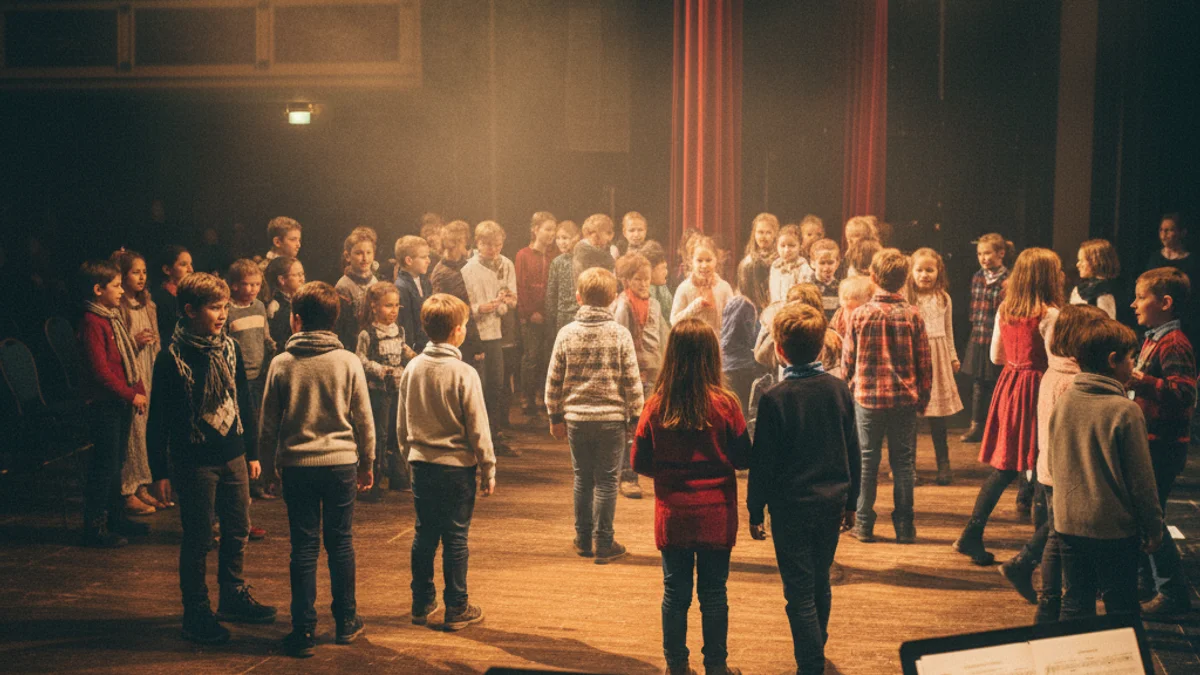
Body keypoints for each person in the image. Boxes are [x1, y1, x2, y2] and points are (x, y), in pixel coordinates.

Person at [146, 272, 277, 644]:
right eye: (214, 307)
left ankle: (232, 595)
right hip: (195, 460)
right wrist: (160, 471)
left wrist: (251, 452)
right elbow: (158, 421)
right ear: (189, 310)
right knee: (200, 536)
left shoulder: (229, 348)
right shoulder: (171, 359)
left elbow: (243, 404)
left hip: (232, 453)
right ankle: (196, 609)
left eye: (224, 307)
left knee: (237, 529)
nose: (222, 314)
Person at [259, 281, 375, 658]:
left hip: (296, 466)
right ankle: (345, 621)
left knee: (303, 547)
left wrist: (268, 469)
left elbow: (267, 423)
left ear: (295, 320)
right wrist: (368, 463)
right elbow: (365, 420)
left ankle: (304, 629)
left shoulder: (281, 362)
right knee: (341, 543)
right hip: (341, 463)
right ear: (335, 321)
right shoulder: (347, 361)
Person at [633, 318, 750, 675]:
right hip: (716, 512)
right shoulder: (726, 405)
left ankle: (677, 666)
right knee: (714, 594)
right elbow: (745, 457)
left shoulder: (656, 406)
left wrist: (671, 477)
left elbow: (639, 461)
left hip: (673, 513)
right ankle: (716, 666)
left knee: (675, 593)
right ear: (712, 356)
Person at [748, 303, 860, 675]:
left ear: (779, 349)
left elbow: (763, 461)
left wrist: (754, 509)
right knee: (820, 579)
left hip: (790, 507)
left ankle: (810, 664)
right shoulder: (839, 389)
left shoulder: (774, 398)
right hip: (831, 502)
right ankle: (817, 648)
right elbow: (852, 447)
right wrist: (852, 501)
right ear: (822, 346)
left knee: (798, 592)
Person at [999, 304, 1108, 620]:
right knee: (1059, 533)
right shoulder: (1072, 379)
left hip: (1051, 466)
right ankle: (1047, 603)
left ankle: (1028, 575)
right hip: (1065, 469)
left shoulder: (1055, 369)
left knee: (1055, 530)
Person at [955, 248, 1063, 566]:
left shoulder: (1006, 308)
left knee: (1005, 468)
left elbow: (995, 358)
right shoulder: (1050, 315)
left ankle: (972, 534)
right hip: (1039, 388)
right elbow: (1057, 359)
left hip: (1011, 385)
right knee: (1043, 467)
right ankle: (1040, 551)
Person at [397, 293, 496, 631]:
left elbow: (402, 422)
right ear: (457, 331)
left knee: (425, 533)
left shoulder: (412, 367)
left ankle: (421, 602)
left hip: (422, 463)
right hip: (456, 467)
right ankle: (457, 606)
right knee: (456, 536)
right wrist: (488, 466)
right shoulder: (464, 372)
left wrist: (408, 456)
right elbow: (477, 425)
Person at [1052, 318, 1162, 620]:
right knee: (1122, 607)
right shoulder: (1125, 410)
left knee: (1074, 602)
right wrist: (1154, 527)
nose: (1133, 364)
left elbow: (1054, 461)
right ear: (1113, 361)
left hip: (1068, 522)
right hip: (1113, 529)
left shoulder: (1064, 401)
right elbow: (1142, 480)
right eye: (1131, 358)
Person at [546, 267, 644, 564]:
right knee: (606, 481)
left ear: (578, 298)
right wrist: (635, 417)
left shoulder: (566, 333)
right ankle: (604, 542)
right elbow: (631, 379)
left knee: (582, 479)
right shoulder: (620, 334)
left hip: (576, 418)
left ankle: (583, 538)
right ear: (613, 299)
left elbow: (554, 378)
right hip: (612, 419)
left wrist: (554, 416)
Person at [842, 248, 932, 543]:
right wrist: (924, 397)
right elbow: (924, 362)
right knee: (903, 464)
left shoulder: (860, 315)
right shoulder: (913, 316)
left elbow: (847, 361)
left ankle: (864, 524)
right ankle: (905, 527)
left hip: (867, 400)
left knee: (866, 462)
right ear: (905, 279)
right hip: (903, 400)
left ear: (873, 277)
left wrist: (850, 386)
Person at [1128, 267, 1196, 616]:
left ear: (1165, 302)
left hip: (1164, 444)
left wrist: (1143, 381)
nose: (1133, 304)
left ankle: (1172, 592)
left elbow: (1185, 394)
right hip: (1151, 438)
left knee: (1151, 516)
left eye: (1141, 297)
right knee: (1142, 513)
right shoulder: (1155, 336)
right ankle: (1143, 580)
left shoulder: (1174, 343)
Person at [77, 260, 149, 548]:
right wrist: (131, 394)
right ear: (98, 290)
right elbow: (101, 371)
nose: (121, 291)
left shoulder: (111, 318)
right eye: (116, 285)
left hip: (120, 400)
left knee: (117, 461)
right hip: (105, 403)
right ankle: (94, 526)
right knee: (104, 465)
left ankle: (115, 516)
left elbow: (127, 359)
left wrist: (138, 390)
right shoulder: (92, 322)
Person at [112, 249, 166, 514]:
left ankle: (142, 484)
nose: (142, 277)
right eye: (135, 271)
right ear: (121, 276)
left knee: (146, 430)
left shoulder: (148, 304)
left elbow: (156, 340)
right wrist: (135, 342)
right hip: (131, 374)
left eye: (144, 271)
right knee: (133, 431)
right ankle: (128, 488)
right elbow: (117, 349)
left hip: (149, 370)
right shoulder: (119, 309)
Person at [613, 252, 668, 499]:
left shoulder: (655, 304)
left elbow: (662, 335)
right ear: (626, 280)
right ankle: (627, 475)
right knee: (631, 423)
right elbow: (618, 339)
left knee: (650, 420)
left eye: (646, 279)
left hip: (653, 369)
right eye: (637, 279)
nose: (644, 283)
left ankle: (649, 467)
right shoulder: (623, 304)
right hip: (631, 372)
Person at [906, 248, 963, 485]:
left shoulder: (943, 298)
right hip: (913, 359)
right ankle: (908, 466)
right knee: (910, 418)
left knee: (937, 419)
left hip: (937, 359)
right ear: (911, 272)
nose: (924, 275)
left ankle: (944, 464)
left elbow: (948, 331)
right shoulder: (908, 298)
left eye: (930, 270)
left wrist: (952, 357)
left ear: (938, 272)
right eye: (919, 270)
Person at [356, 282, 417, 501]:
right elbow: (360, 359)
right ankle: (374, 478)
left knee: (397, 430)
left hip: (398, 388)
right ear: (374, 307)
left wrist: (411, 356)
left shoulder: (398, 331)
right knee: (380, 434)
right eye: (387, 306)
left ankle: (398, 475)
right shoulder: (368, 333)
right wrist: (380, 370)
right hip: (378, 390)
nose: (392, 311)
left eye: (396, 306)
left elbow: (403, 350)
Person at [462, 220, 518, 455]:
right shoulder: (468, 268)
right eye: (488, 245)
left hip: (498, 333)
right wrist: (479, 308)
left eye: (498, 244)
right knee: (479, 386)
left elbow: (514, 299)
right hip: (477, 334)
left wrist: (507, 301)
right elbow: (465, 303)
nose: (493, 249)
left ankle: (494, 435)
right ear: (478, 243)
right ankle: (475, 437)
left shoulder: (506, 264)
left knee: (497, 384)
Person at [224, 259, 278, 501]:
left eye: (257, 284)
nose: (253, 289)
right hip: (236, 377)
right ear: (234, 285)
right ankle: (242, 484)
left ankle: (257, 483)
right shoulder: (228, 309)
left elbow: (264, 336)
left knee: (257, 428)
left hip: (258, 376)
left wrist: (271, 347)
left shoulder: (259, 307)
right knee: (244, 427)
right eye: (247, 284)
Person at [960, 233, 1012, 442]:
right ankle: (977, 426)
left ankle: (998, 428)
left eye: (988, 253)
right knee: (978, 383)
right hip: (979, 337)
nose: (983, 257)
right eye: (980, 253)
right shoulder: (977, 277)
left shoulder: (1008, 280)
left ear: (1001, 253)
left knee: (997, 384)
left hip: (998, 338)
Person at [516, 212, 558, 421]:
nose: (551, 233)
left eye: (553, 229)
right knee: (530, 357)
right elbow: (521, 286)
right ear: (535, 229)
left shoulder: (554, 256)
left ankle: (543, 395)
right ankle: (527, 397)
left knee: (547, 357)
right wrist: (530, 312)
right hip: (530, 317)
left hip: (549, 315)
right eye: (547, 229)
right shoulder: (523, 254)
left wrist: (546, 312)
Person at [722, 256, 770, 420]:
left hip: (746, 368)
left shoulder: (752, 304)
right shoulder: (741, 304)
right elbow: (727, 340)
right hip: (735, 369)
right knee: (737, 415)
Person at [431, 220, 485, 367]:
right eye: (463, 241)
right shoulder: (441, 273)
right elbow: (442, 310)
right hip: (454, 336)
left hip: (471, 332)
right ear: (457, 242)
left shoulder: (467, 265)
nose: (466, 244)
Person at [671, 235, 733, 335]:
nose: (704, 265)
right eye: (699, 260)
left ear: (716, 260)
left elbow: (731, 320)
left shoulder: (724, 288)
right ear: (691, 262)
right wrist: (695, 306)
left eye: (708, 260)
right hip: (692, 343)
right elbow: (674, 321)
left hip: (717, 345)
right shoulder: (684, 288)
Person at [394, 235, 433, 354]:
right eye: (423, 257)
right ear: (408, 260)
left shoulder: (424, 281)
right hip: (415, 349)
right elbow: (406, 326)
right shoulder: (401, 287)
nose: (428, 260)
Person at [544, 219, 582, 335]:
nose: (561, 242)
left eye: (565, 238)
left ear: (576, 237)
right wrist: (551, 317)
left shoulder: (583, 260)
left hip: (581, 314)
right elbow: (551, 293)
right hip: (562, 316)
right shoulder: (557, 262)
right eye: (558, 238)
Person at [335, 227, 380, 319]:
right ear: (348, 256)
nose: (365, 258)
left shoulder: (374, 281)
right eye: (359, 253)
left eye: (368, 253)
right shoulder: (343, 286)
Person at [151, 245, 193, 339]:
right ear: (167, 270)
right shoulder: (158, 298)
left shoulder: (192, 294)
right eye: (183, 264)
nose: (190, 270)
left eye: (190, 264)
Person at [1071, 239, 1120, 319]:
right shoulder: (1082, 289)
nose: (1078, 264)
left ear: (1095, 261)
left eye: (1082, 261)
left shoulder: (1103, 292)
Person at [264, 256, 303, 349]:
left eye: (302, 274)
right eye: (297, 275)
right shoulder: (276, 307)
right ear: (282, 279)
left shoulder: (298, 300)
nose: (302, 279)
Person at [769, 225, 810, 305]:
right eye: (782, 246)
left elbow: (803, 296)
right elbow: (774, 293)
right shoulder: (775, 267)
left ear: (800, 246)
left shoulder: (803, 268)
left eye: (791, 246)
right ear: (777, 246)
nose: (787, 250)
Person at [573, 213, 617, 279]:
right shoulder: (583, 249)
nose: (610, 237)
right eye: (607, 233)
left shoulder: (605, 247)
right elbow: (610, 262)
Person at [642, 242, 675, 325]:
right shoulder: (645, 291)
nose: (666, 272)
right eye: (663, 268)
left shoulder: (662, 287)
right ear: (650, 270)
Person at [808, 239, 841, 320]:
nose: (826, 268)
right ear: (812, 263)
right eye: (822, 263)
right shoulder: (807, 288)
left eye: (830, 263)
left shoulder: (840, 288)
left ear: (837, 263)